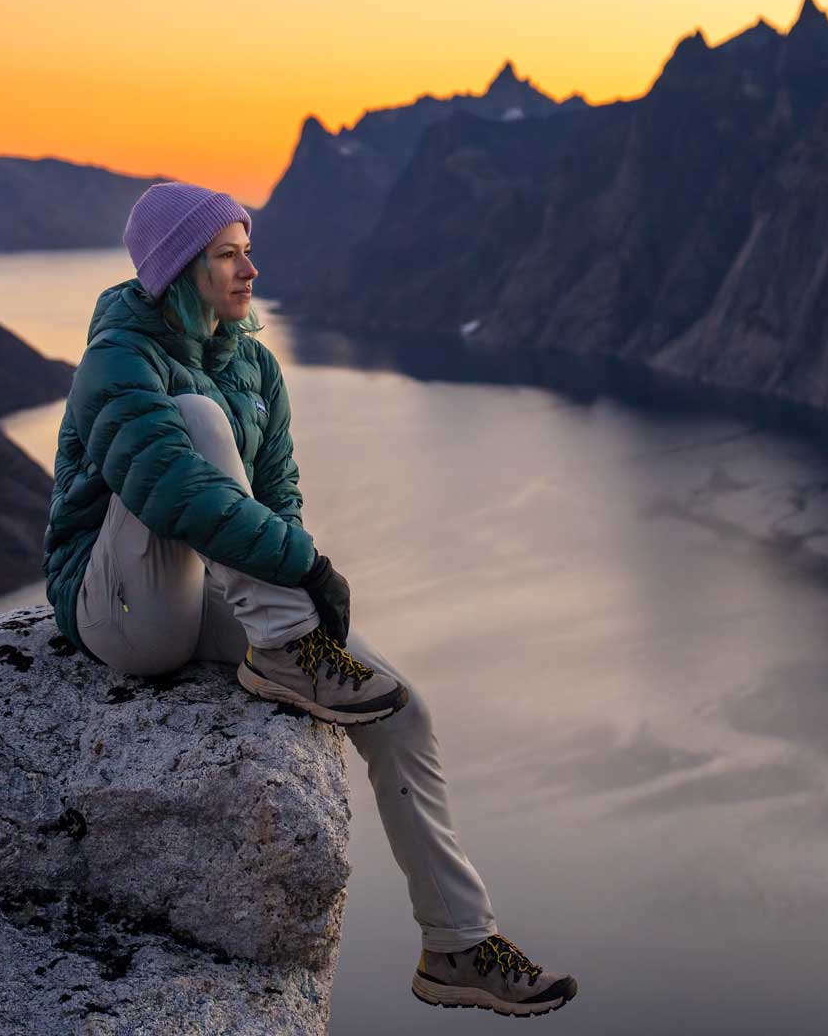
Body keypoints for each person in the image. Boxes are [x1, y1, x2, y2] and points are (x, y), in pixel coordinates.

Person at [42, 181, 578, 1019]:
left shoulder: (253, 363)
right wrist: (304, 569)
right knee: (196, 423)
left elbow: (279, 490)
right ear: (180, 269)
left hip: (200, 593)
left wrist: (292, 572)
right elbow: (170, 488)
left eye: (247, 247)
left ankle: (458, 943)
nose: (250, 267)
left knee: (403, 710)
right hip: (117, 609)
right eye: (227, 254)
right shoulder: (120, 354)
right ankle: (289, 650)